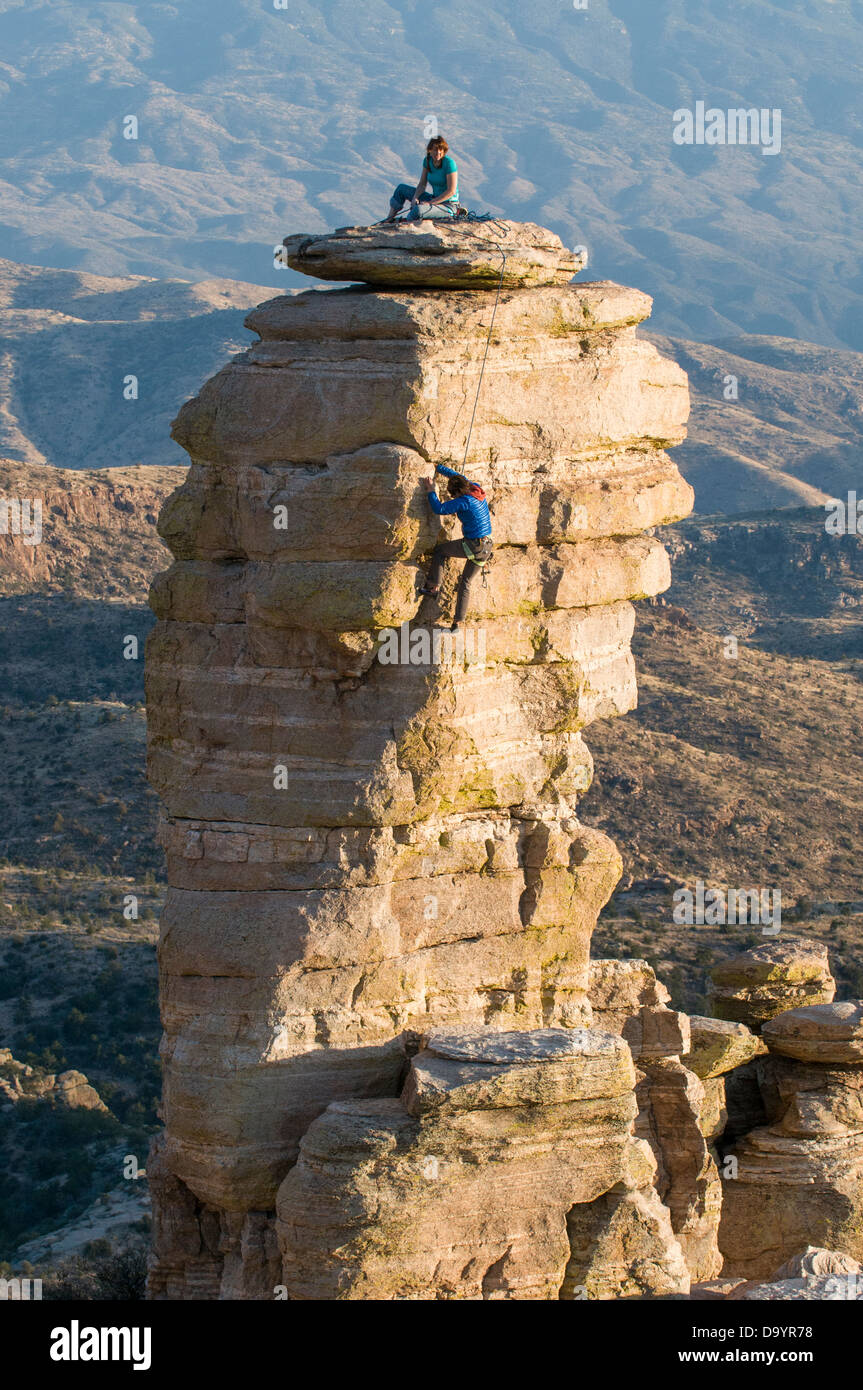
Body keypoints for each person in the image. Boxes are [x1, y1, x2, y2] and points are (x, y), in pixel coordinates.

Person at [418, 464, 493, 630]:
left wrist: (431, 491)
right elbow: (456, 475)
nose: (453, 498)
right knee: (465, 582)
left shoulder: (464, 501)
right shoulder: (475, 488)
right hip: (487, 547)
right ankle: (457, 622)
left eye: (453, 495)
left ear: (458, 492)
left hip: (474, 545)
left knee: (440, 551)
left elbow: (440, 509)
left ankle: (433, 586)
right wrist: (438, 467)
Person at [384, 136, 459, 223]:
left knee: (418, 210)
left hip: (448, 206)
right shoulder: (427, 161)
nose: (438, 152)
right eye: (435, 149)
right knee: (401, 189)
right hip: (433, 199)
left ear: (444, 150)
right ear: (430, 150)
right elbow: (422, 184)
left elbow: (451, 191)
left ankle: (406, 223)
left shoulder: (449, 163)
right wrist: (415, 198)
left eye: (440, 149)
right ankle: (389, 219)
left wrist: (430, 203)